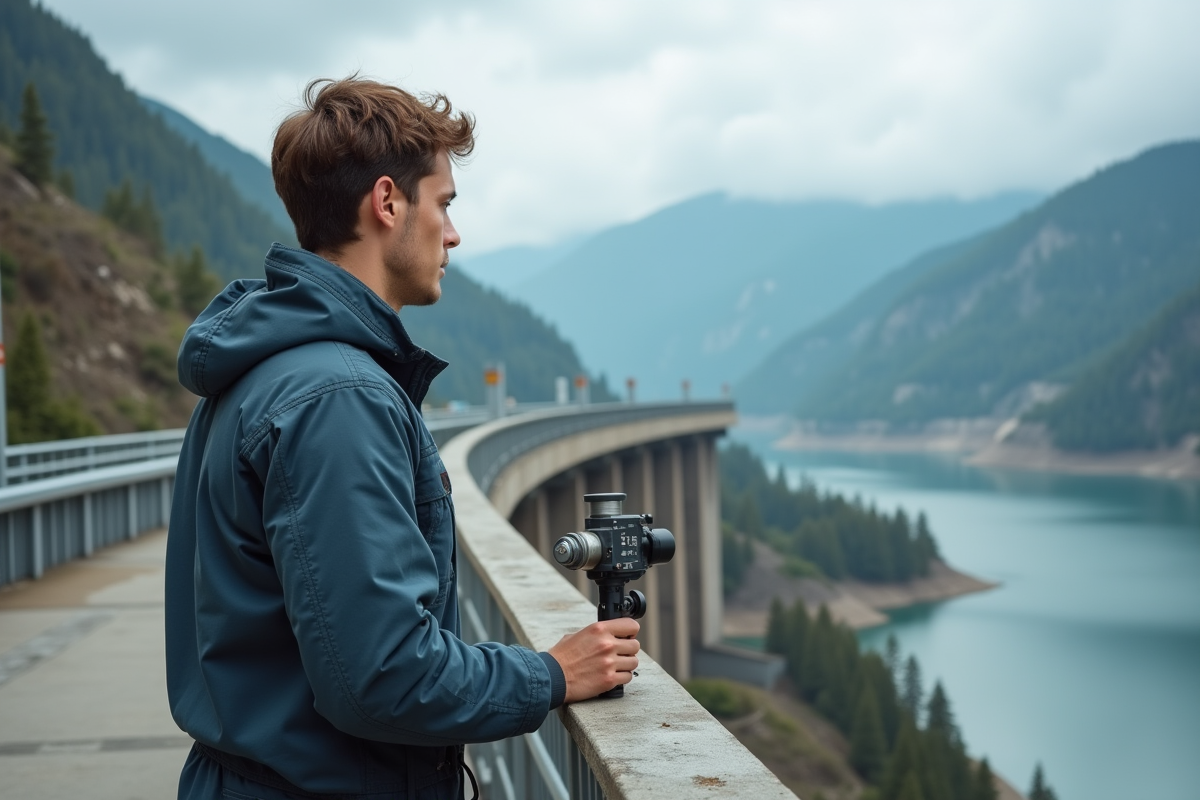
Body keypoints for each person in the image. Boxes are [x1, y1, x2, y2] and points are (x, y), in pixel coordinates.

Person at [165, 77, 641, 800]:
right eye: (443, 203)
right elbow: (383, 676)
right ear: (387, 203)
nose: (453, 234)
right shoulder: (338, 397)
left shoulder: (266, 367)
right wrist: (550, 673)